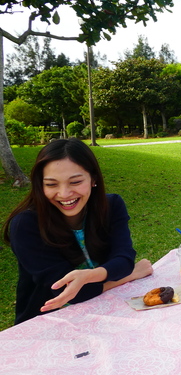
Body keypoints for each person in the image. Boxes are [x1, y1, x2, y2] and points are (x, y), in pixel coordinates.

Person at [3, 138, 153, 324]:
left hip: (108, 309)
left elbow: (123, 259)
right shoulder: (25, 225)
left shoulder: (111, 206)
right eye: (51, 184)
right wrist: (132, 274)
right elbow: (73, 293)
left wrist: (92, 275)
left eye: (75, 182)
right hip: (48, 322)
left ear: (93, 179)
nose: (64, 194)